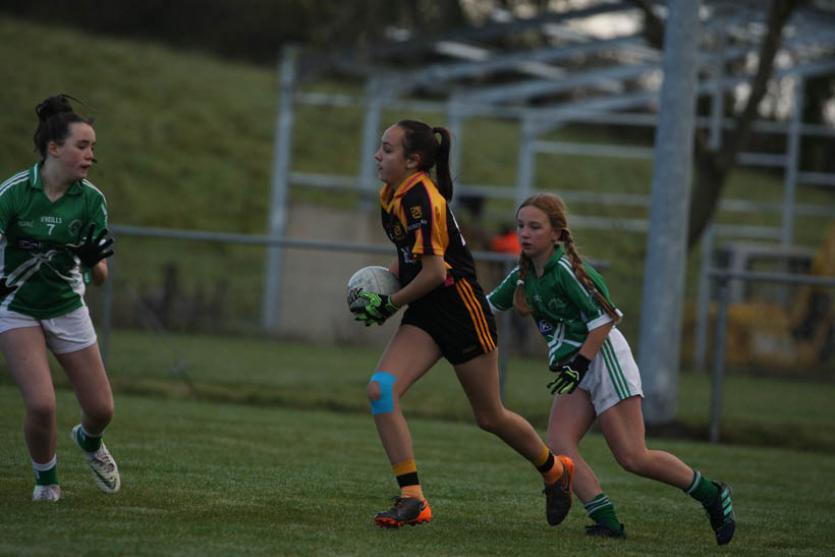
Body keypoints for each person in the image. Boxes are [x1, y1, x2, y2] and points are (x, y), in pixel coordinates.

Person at [350, 120, 574, 529]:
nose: (377, 156)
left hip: (461, 310)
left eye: (387, 149)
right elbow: (409, 257)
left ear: (413, 160)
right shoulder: (392, 193)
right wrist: (378, 289)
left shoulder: (420, 198)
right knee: (381, 390)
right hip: (426, 311)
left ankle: (555, 470)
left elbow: (436, 273)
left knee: (490, 416)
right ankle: (413, 498)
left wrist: (390, 304)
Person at [487, 193, 735, 545]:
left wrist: (580, 365)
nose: (525, 233)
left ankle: (712, 494)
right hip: (577, 367)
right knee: (559, 444)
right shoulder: (523, 277)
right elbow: (483, 307)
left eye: (535, 227)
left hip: (604, 359)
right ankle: (606, 521)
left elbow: (605, 319)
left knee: (633, 457)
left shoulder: (567, 271)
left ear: (556, 233)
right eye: (521, 226)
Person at [0, 94, 120, 502]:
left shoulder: (91, 200)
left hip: (67, 307)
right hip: (16, 307)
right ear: (54, 148)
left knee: (102, 410)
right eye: (82, 146)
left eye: (93, 147)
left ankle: (88, 440)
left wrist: (91, 260)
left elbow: (100, 278)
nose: (90, 155)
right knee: (42, 404)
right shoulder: (14, 193)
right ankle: (46, 482)